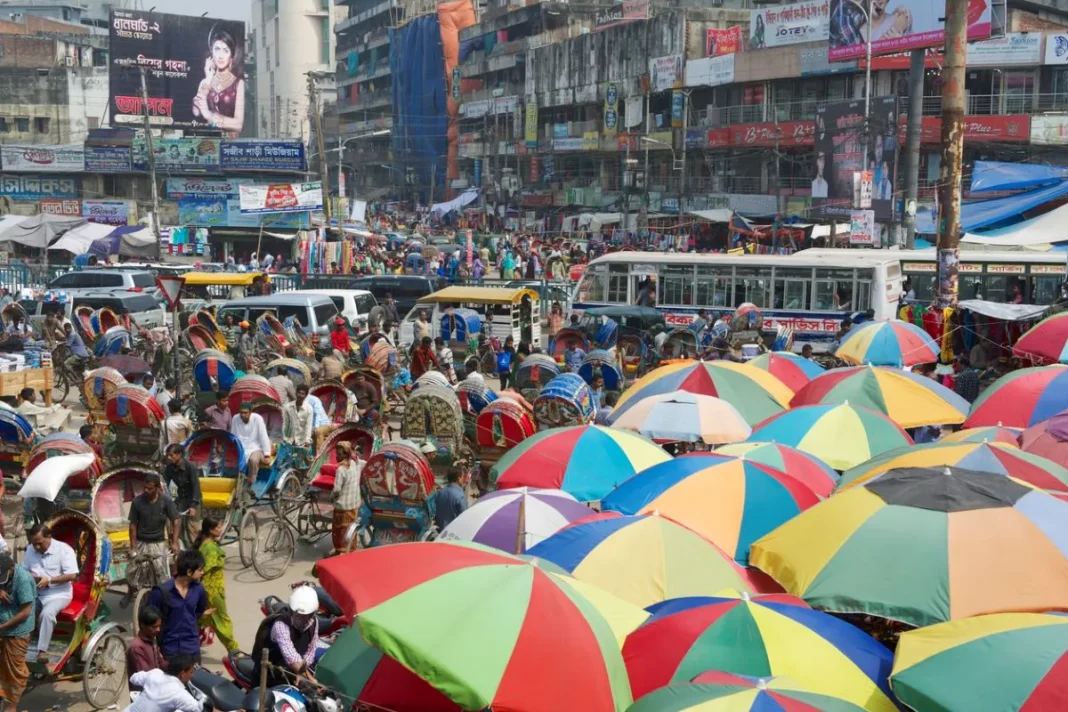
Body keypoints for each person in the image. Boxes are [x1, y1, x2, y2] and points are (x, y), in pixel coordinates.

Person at [252, 586, 327, 689]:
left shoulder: (314, 622)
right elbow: (292, 657)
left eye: (307, 615)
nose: (302, 618)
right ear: (292, 611)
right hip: (269, 677)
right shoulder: (281, 625)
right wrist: (311, 679)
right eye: (299, 615)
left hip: (291, 673)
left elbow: (311, 650)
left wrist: (304, 674)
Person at [23, 524, 77, 664]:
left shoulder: (64, 550)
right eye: (34, 544)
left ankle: (42, 650)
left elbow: (71, 575)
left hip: (59, 593)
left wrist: (50, 580)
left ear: (49, 537)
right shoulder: (30, 549)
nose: (36, 548)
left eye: (39, 544)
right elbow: (24, 570)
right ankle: (20, 643)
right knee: (20, 609)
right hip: (36, 592)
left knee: (47, 614)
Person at [127, 473, 180, 606]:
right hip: (141, 542)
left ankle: (165, 601)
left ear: (157, 488)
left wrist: (174, 542)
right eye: (144, 488)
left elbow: (176, 520)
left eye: (150, 488)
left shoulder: (166, 501)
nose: (146, 491)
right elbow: (132, 525)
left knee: (161, 574)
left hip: (158, 543)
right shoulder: (137, 502)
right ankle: (133, 593)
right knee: (134, 571)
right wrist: (133, 547)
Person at [146, 549, 207, 663]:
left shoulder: (199, 590)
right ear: (189, 572)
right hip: (170, 649)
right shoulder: (162, 592)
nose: (202, 572)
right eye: (200, 570)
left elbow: (200, 610)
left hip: (192, 647)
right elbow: (147, 617)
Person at [194, 519, 238, 655]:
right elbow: (204, 570)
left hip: (207, 590)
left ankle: (189, 645)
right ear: (211, 530)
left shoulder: (206, 545)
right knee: (221, 621)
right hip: (212, 592)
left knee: (198, 619)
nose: (221, 529)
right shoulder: (211, 549)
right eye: (219, 527)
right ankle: (234, 650)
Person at [192, 26, 245, 137]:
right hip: (205, 142)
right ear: (212, 53)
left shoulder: (239, 84)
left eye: (225, 50)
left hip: (230, 144)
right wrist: (208, 78)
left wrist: (209, 115)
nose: (220, 56)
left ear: (231, 55)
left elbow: (239, 124)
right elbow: (196, 112)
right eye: (217, 49)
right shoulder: (205, 81)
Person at [0, 553, 33, 712]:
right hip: (3, 624)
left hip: (17, 630)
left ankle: (11, 705)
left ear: (11, 568)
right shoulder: (5, 575)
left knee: (15, 671)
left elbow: (25, 612)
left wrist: (2, 627)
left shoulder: (23, 580)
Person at [124, 653, 202, 712]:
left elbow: (133, 678)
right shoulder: (179, 693)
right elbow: (200, 708)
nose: (192, 676)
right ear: (182, 673)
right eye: (191, 672)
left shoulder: (155, 673)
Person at [330, 442, 364, 555]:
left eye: (339, 454)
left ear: (345, 454)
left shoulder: (341, 469)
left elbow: (336, 490)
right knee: (351, 528)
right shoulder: (355, 463)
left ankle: (339, 552)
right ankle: (351, 550)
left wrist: (331, 497)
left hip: (343, 507)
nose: (336, 456)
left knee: (339, 531)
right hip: (354, 504)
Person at [162, 444, 202, 535]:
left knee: (193, 529)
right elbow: (166, 485)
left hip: (193, 499)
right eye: (168, 455)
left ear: (179, 455)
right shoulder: (169, 468)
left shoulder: (190, 466)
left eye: (171, 455)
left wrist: (193, 506)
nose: (168, 458)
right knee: (176, 529)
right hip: (180, 500)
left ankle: (195, 548)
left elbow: (196, 487)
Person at [231, 402, 271, 486]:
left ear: (250, 412)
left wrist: (267, 454)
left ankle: (251, 482)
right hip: (241, 448)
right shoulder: (235, 418)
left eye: (245, 413)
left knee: (253, 460)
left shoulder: (257, 419)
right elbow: (233, 436)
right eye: (241, 412)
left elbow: (263, 436)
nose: (242, 415)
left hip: (256, 447)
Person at [126, 606, 165, 692]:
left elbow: (161, 663)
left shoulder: (152, 640)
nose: (158, 630)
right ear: (143, 625)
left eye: (159, 626)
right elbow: (145, 676)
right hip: (143, 693)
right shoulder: (136, 647)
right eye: (154, 627)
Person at [283, 384, 314, 452]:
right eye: (299, 393)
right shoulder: (288, 407)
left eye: (302, 394)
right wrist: (284, 439)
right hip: (289, 441)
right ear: (296, 393)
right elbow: (285, 424)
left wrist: (307, 440)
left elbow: (308, 427)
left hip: (302, 443)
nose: (300, 395)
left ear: (305, 396)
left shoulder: (309, 409)